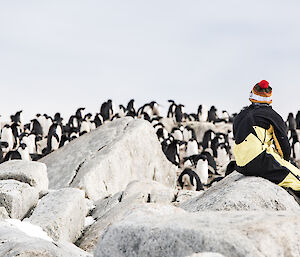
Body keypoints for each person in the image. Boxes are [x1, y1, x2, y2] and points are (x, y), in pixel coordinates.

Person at [233, 80, 300, 198]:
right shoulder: (271, 115)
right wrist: (284, 161)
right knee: (296, 179)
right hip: (259, 161)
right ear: (269, 97)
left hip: (240, 164)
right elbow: (283, 143)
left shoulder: (241, 115)